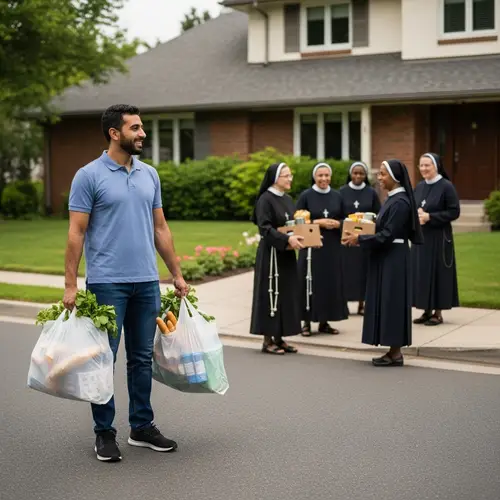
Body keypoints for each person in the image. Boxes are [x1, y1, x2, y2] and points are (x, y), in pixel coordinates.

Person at [65, 104, 189, 462]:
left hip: (147, 281)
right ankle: (104, 433)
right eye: (135, 128)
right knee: (102, 359)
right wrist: (70, 284)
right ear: (114, 133)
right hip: (107, 283)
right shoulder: (88, 176)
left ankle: (141, 427)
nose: (143, 133)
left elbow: (160, 228)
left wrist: (176, 274)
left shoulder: (150, 174)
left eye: (142, 127)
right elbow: (76, 231)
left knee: (140, 359)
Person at [342, 159, 423, 367]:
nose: (379, 178)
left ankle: (396, 353)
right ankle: (392, 350)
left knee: (393, 301)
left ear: (395, 178)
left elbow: (387, 235)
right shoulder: (392, 199)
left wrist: (359, 239)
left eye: (383, 174)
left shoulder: (401, 202)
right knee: (387, 301)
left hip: (394, 257)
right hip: (387, 256)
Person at [250, 162, 304, 355]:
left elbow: (291, 224)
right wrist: (287, 238)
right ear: (275, 178)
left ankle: (280, 338)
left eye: (290, 175)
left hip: (286, 253)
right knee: (270, 293)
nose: (290, 179)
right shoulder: (265, 200)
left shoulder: (288, 199)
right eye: (286, 175)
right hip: (271, 253)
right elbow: (264, 228)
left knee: (286, 294)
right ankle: (267, 340)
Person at [296, 162, 348, 336]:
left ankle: (325, 322)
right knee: (310, 282)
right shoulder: (306, 196)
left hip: (332, 246)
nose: (324, 179)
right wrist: (317, 222)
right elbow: (298, 222)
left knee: (328, 283)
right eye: (320, 175)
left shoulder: (337, 196)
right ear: (314, 177)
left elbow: (345, 219)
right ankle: (306, 322)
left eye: (327, 175)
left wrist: (337, 223)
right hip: (312, 247)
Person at [412, 152, 460, 326]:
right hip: (422, 238)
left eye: (427, 165)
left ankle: (437, 313)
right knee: (422, 272)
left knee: (438, 272)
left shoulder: (447, 186)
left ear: (436, 166)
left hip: (439, 238)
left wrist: (430, 217)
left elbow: (454, 211)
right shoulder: (419, 187)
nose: (424, 168)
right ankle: (426, 310)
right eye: (421, 165)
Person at [339, 161, 381, 315]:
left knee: (364, 271)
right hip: (347, 237)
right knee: (346, 271)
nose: (357, 176)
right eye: (355, 173)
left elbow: (378, 213)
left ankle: (362, 303)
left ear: (365, 175)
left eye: (361, 173)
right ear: (350, 174)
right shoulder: (342, 192)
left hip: (364, 239)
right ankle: (344, 303)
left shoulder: (371, 193)